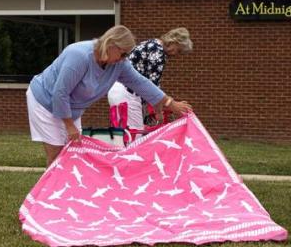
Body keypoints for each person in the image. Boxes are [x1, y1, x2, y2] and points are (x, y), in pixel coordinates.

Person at [29, 25, 194, 165]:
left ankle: (66, 194)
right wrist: (69, 125)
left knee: (74, 153)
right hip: (45, 101)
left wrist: (170, 104)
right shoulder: (79, 55)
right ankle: (46, 199)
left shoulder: (119, 64)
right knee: (57, 155)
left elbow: (141, 83)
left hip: (70, 107)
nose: (125, 59)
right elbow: (60, 92)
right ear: (111, 45)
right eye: (123, 54)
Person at [108, 27, 194, 129]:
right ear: (173, 41)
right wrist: (163, 109)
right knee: (134, 136)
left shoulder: (152, 44)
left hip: (118, 89)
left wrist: (159, 108)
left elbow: (150, 86)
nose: (176, 54)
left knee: (124, 134)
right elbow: (153, 87)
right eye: (178, 50)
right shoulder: (158, 53)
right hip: (128, 93)